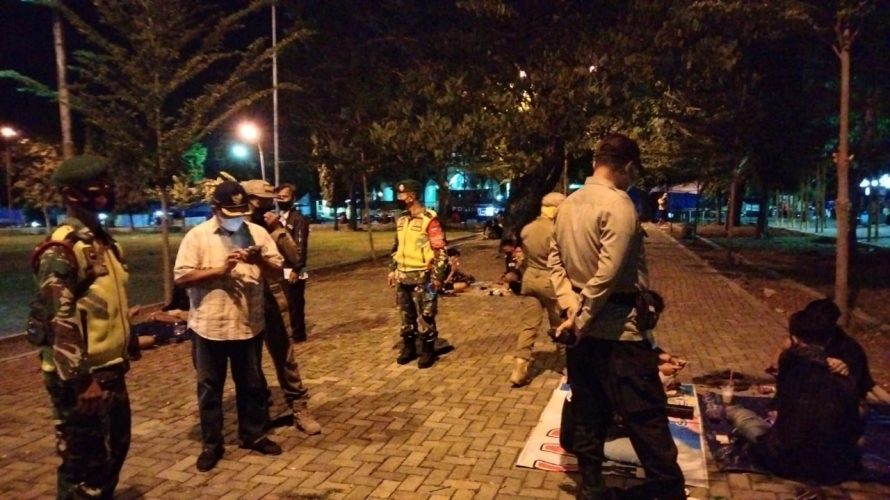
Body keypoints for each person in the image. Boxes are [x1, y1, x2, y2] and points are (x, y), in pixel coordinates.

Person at [549, 134, 685, 499]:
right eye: (633, 171)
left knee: (588, 409)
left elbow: (555, 261)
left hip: (581, 333)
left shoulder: (568, 204)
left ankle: (592, 485)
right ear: (625, 166)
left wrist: (571, 309)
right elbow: (607, 275)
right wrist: (581, 317)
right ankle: (666, 489)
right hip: (619, 332)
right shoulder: (619, 204)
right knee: (645, 414)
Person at [28, 154, 132, 499]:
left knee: (111, 455)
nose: (104, 195)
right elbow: (57, 317)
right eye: (95, 189)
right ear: (71, 195)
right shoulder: (63, 249)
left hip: (109, 370)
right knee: (83, 470)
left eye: (107, 187)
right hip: (83, 378)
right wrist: (81, 379)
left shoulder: (102, 241)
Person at [174, 181, 284, 472]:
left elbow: (278, 273)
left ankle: (253, 435)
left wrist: (259, 260)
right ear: (215, 209)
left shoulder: (257, 233)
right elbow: (181, 277)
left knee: (252, 384)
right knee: (209, 388)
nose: (236, 218)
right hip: (209, 326)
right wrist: (220, 270)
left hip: (248, 324)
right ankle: (212, 444)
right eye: (230, 213)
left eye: (241, 212)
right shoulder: (197, 236)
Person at [728, 307, 863, 485]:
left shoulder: (791, 363)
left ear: (794, 340)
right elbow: (855, 426)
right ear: (829, 338)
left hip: (785, 461)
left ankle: (729, 410)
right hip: (830, 471)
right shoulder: (844, 373)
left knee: (741, 416)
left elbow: (781, 368)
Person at [242, 180, 322, 436]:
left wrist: (277, 230)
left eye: (270, 199)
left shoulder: (271, 225)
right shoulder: (235, 228)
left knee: (285, 357)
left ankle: (299, 407)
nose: (268, 204)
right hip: (242, 302)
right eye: (262, 200)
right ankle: (259, 407)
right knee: (249, 361)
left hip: (270, 297)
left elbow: (295, 257)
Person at [387, 179, 448, 369]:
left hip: (424, 276)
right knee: (406, 315)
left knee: (426, 314)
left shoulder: (429, 219)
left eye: (401, 194)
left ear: (411, 196)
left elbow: (440, 250)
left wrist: (437, 277)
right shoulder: (402, 219)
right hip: (403, 275)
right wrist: (392, 269)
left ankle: (428, 349)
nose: (398, 198)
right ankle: (409, 347)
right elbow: (397, 247)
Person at [509, 192, 566, 387]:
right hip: (551, 280)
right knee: (560, 324)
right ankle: (567, 364)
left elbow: (524, 258)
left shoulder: (527, 229)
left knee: (529, 326)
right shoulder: (557, 230)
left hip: (530, 279)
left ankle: (520, 366)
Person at [273, 183, 310, 342]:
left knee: (296, 301)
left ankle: (298, 334)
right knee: (287, 301)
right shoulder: (278, 218)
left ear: (293, 198)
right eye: (279, 197)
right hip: (283, 266)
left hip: (297, 267)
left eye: (285, 197)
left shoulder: (298, 219)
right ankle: (291, 330)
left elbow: (301, 246)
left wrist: (297, 268)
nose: (281, 200)